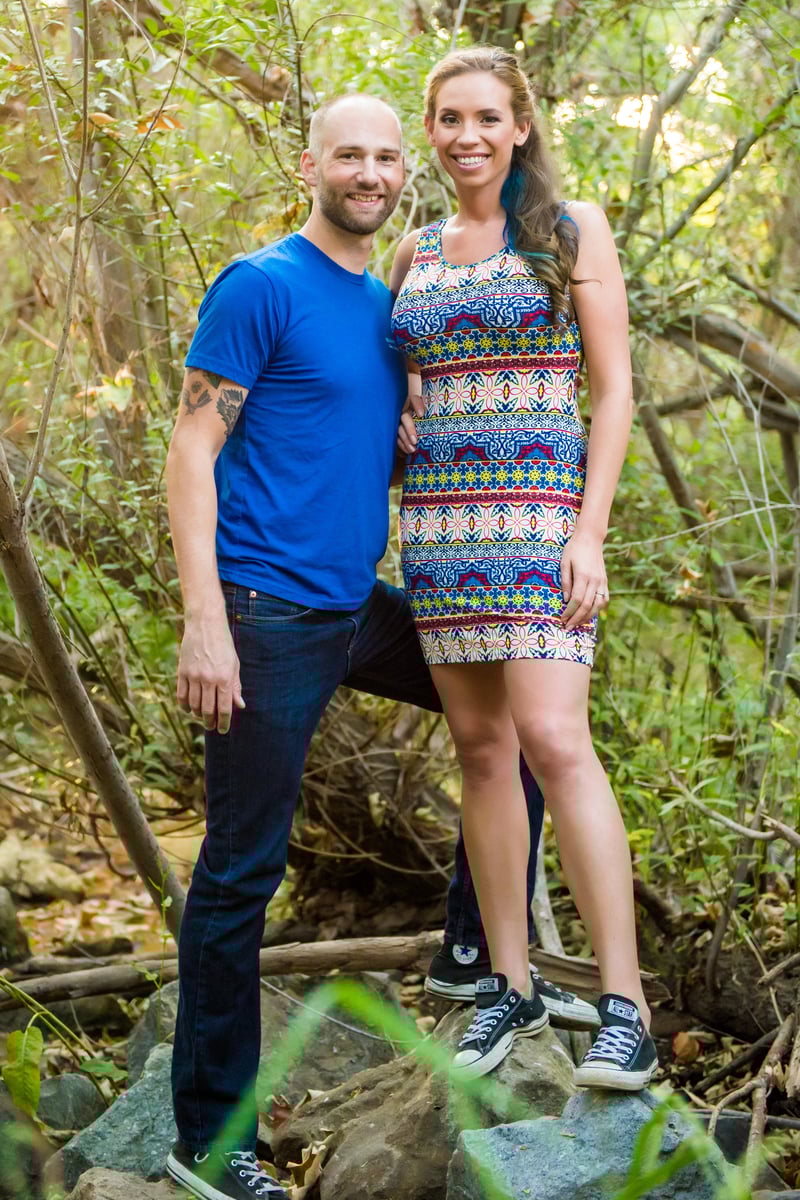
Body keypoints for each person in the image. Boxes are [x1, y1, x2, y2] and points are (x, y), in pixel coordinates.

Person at [164, 94, 596, 1200]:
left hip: (354, 604)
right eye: (348, 154)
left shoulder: (386, 300)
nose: (368, 172)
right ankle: (209, 1142)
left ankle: (474, 955)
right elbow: (191, 446)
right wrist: (205, 619)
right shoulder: (259, 284)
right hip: (264, 615)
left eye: (385, 157)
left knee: (513, 720)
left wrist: (412, 443)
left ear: (406, 172)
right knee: (240, 872)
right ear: (309, 164)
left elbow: (353, 439)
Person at [391, 47, 657, 1090]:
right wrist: (404, 411)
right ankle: (508, 983)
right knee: (479, 748)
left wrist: (589, 534)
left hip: (542, 521)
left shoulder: (568, 229)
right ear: (431, 130)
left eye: (486, 118)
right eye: (449, 119)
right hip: (440, 529)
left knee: (554, 739)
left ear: (519, 126)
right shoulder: (413, 252)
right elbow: (396, 380)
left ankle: (626, 1005)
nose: (467, 136)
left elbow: (615, 388)